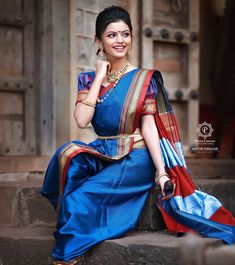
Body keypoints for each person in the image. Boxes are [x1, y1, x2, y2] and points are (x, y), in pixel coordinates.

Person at [41, 5, 235, 265]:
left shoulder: (144, 79)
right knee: (69, 157)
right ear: (98, 41)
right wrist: (100, 76)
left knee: (79, 198)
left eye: (125, 34)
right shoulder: (88, 79)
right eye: (112, 35)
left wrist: (161, 170)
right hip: (104, 151)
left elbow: (148, 127)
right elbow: (81, 119)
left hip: (136, 155)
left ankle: (66, 255)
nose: (120, 40)